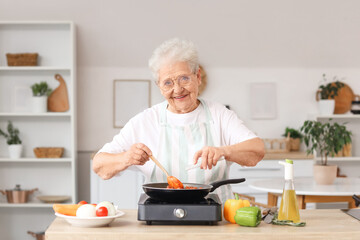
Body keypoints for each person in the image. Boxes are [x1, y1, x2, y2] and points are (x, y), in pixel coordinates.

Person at [93, 38, 265, 203]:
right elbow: (99, 165)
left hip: (216, 221)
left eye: (184, 78)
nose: (177, 89)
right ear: (159, 86)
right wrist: (126, 158)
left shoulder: (219, 114)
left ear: (197, 77)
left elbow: (257, 150)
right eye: (168, 83)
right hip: (162, 220)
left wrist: (223, 151)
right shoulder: (145, 121)